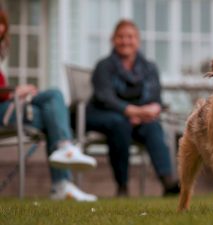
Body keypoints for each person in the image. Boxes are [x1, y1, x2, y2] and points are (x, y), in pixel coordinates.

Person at [0, 10, 97, 201]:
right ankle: (63, 169)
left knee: (53, 100)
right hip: (4, 108)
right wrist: (15, 91)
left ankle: (64, 155)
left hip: (7, 104)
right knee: (52, 107)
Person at [87, 19, 179, 197]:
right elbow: (105, 98)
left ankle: (168, 182)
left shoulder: (149, 67)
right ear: (113, 40)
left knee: (153, 127)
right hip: (105, 115)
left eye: (130, 37)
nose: (125, 41)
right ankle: (122, 186)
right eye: (120, 37)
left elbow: (156, 98)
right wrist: (133, 112)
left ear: (138, 41)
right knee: (120, 123)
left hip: (139, 118)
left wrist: (149, 111)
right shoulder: (104, 66)